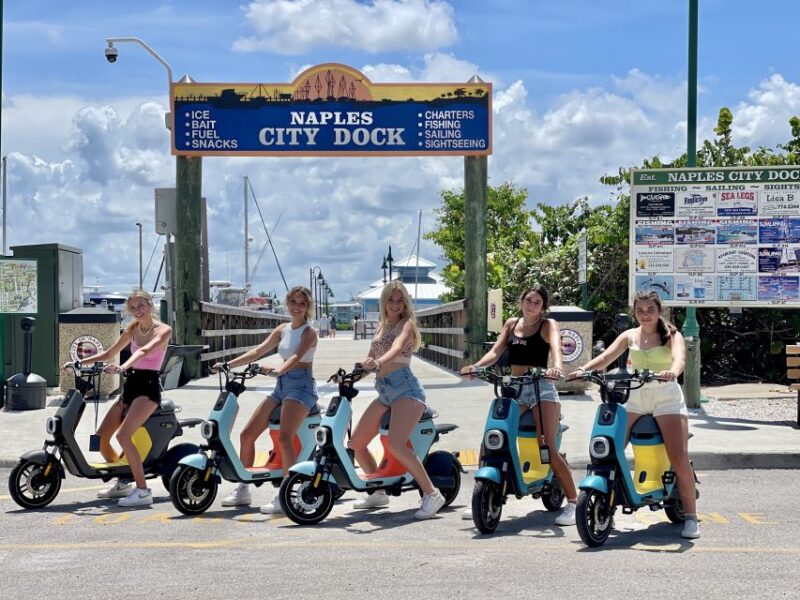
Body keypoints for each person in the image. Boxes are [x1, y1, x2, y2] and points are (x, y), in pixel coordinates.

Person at [568, 290, 700, 539]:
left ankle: (691, 518)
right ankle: (606, 501)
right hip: (635, 395)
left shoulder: (671, 335)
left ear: (659, 311)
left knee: (679, 456)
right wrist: (583, 370)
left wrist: (672, 371)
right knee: (609, 448)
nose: (645, 314)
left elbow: (679, 358)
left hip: (666, 397)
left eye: (650, 309)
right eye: (640, 310)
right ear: (634, 312)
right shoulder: (630, 336)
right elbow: (607, 357)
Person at [459, 284, 578, 526]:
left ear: (543, 307)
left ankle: (574, 502)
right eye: (529, 300)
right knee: (492, 438)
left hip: (540, 387)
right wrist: (477, 367)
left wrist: (557, 366)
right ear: (522, 301)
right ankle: (481, 498)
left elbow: (556, 347)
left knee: (546, 444)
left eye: (537, 302)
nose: (532, 305)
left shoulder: (547, 325)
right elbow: (495, 352)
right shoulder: (511, 324)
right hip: (514, 387)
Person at [62, 290, 171, 507]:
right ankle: (123, 480)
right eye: (133, 308)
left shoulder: (163, 330)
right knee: (102, 437)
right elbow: (108, 353)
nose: (137, 311)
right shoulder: (132, 329)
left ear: (150, 306)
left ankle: (142, 491)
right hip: (130, 386)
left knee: (123, 436)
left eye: (141, 306)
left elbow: (145, 351)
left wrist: (122, 367)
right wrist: (78, 363)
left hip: (148, 389)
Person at [217, 286, 319, 514]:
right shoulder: (282, 329)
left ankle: (288, 495)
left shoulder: (309, 332)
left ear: (308, 307)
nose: (296, 306)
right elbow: (258, 350)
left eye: (302, 303)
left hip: (301, 386)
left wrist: (277, 370)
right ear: (287, 303)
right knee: (247, 434)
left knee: (285, 437)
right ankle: (244, 488)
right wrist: (228, 364)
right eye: (293, 301)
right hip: (281, 386)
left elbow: (295, 357)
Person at [349, 281, 446, 519]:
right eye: (391, 300)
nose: (395, 304)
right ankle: (378, 491)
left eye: (400, 300)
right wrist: (351, 376)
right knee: (356, 443)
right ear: (383, 301)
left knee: (396, 444)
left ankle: (432, 494)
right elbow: (371, 357)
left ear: (406, 303)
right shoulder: (381, 326)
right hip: (384, 390)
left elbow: (396, 348)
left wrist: (380, 362)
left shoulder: (407, 324)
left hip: (406, 390)